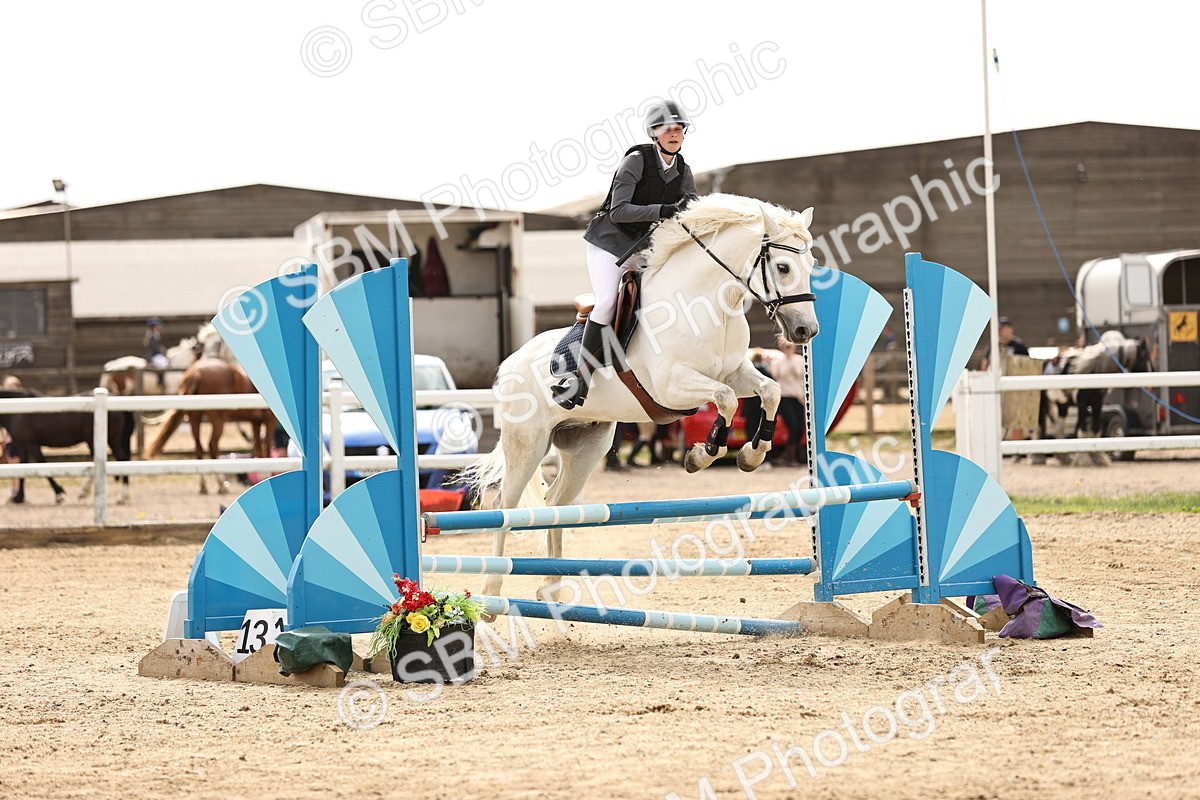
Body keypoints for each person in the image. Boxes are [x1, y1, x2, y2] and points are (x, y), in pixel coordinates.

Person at [552, 100, 699, 409]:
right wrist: (664, 210)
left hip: (644, 249)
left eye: (679, 129)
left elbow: (693, 211)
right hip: (609, 243)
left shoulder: (683, 170)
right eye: (667, 129)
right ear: (654, 133)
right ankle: (578, 378)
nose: (674, 134)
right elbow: (619, 211)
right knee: (606, 301)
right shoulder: (636, 161)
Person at [764, 336, 806, 466]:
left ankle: (789, 453)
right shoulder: (777, 362)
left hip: (798, 397)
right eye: (785, 347)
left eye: (789, 346)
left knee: (800, 428)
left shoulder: (800, 361)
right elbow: (776, 376)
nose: (787, 349)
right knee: (792, 426)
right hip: (785, 397)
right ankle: (790, 457)